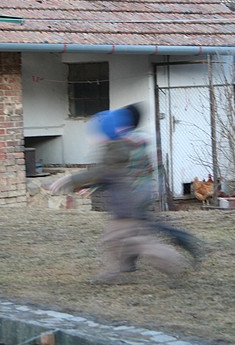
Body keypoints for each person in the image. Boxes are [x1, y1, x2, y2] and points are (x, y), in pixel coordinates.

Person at [48, 104, 199, 285]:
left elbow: (101, 172)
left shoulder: (115, 148)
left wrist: (69, 180)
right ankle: (122, 270)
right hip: (136, 200)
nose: (93, 137)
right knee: (125, 239)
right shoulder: (129, 144)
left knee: (129, 241)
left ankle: (169, 264)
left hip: (128, 204)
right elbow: (113, 175)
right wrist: (92, 186)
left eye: (96, 133)